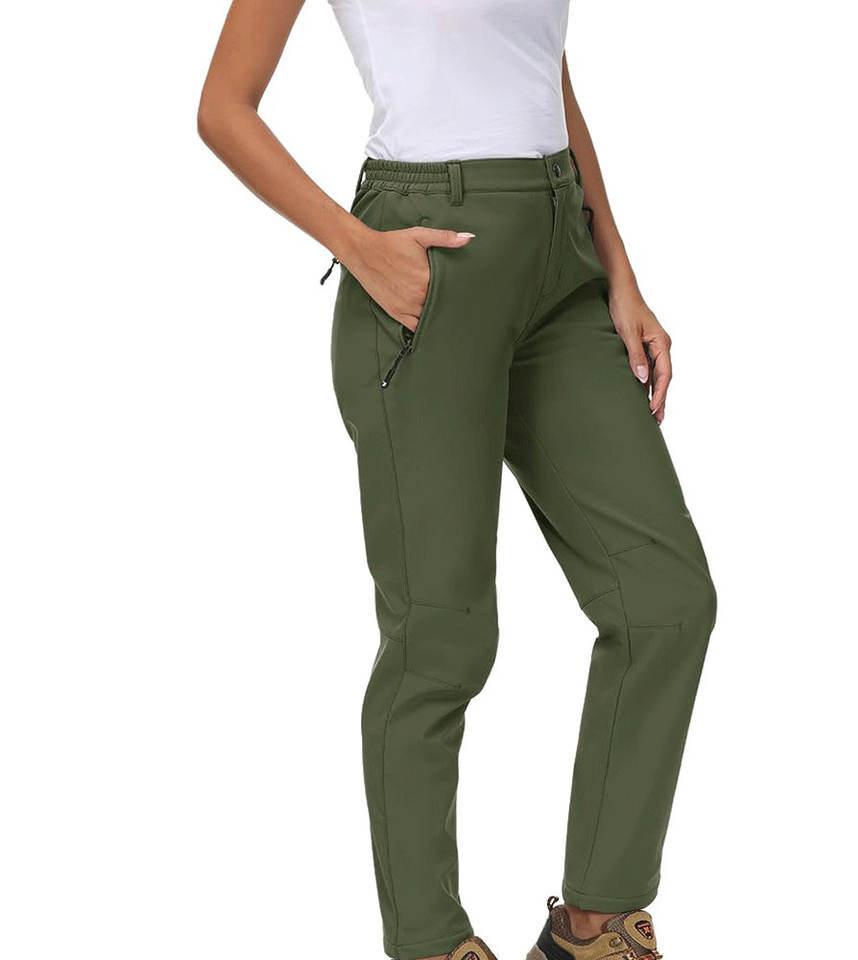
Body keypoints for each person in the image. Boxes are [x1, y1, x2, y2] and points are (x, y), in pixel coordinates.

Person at [198, 2, 717, 959]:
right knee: (441, 636)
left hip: (560, 260)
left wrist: (619, 269)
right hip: (423, 260)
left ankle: (594, 926)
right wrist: (356, 245)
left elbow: (545, 72)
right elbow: (223, 108)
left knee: (665, 600)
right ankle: (432, 942)